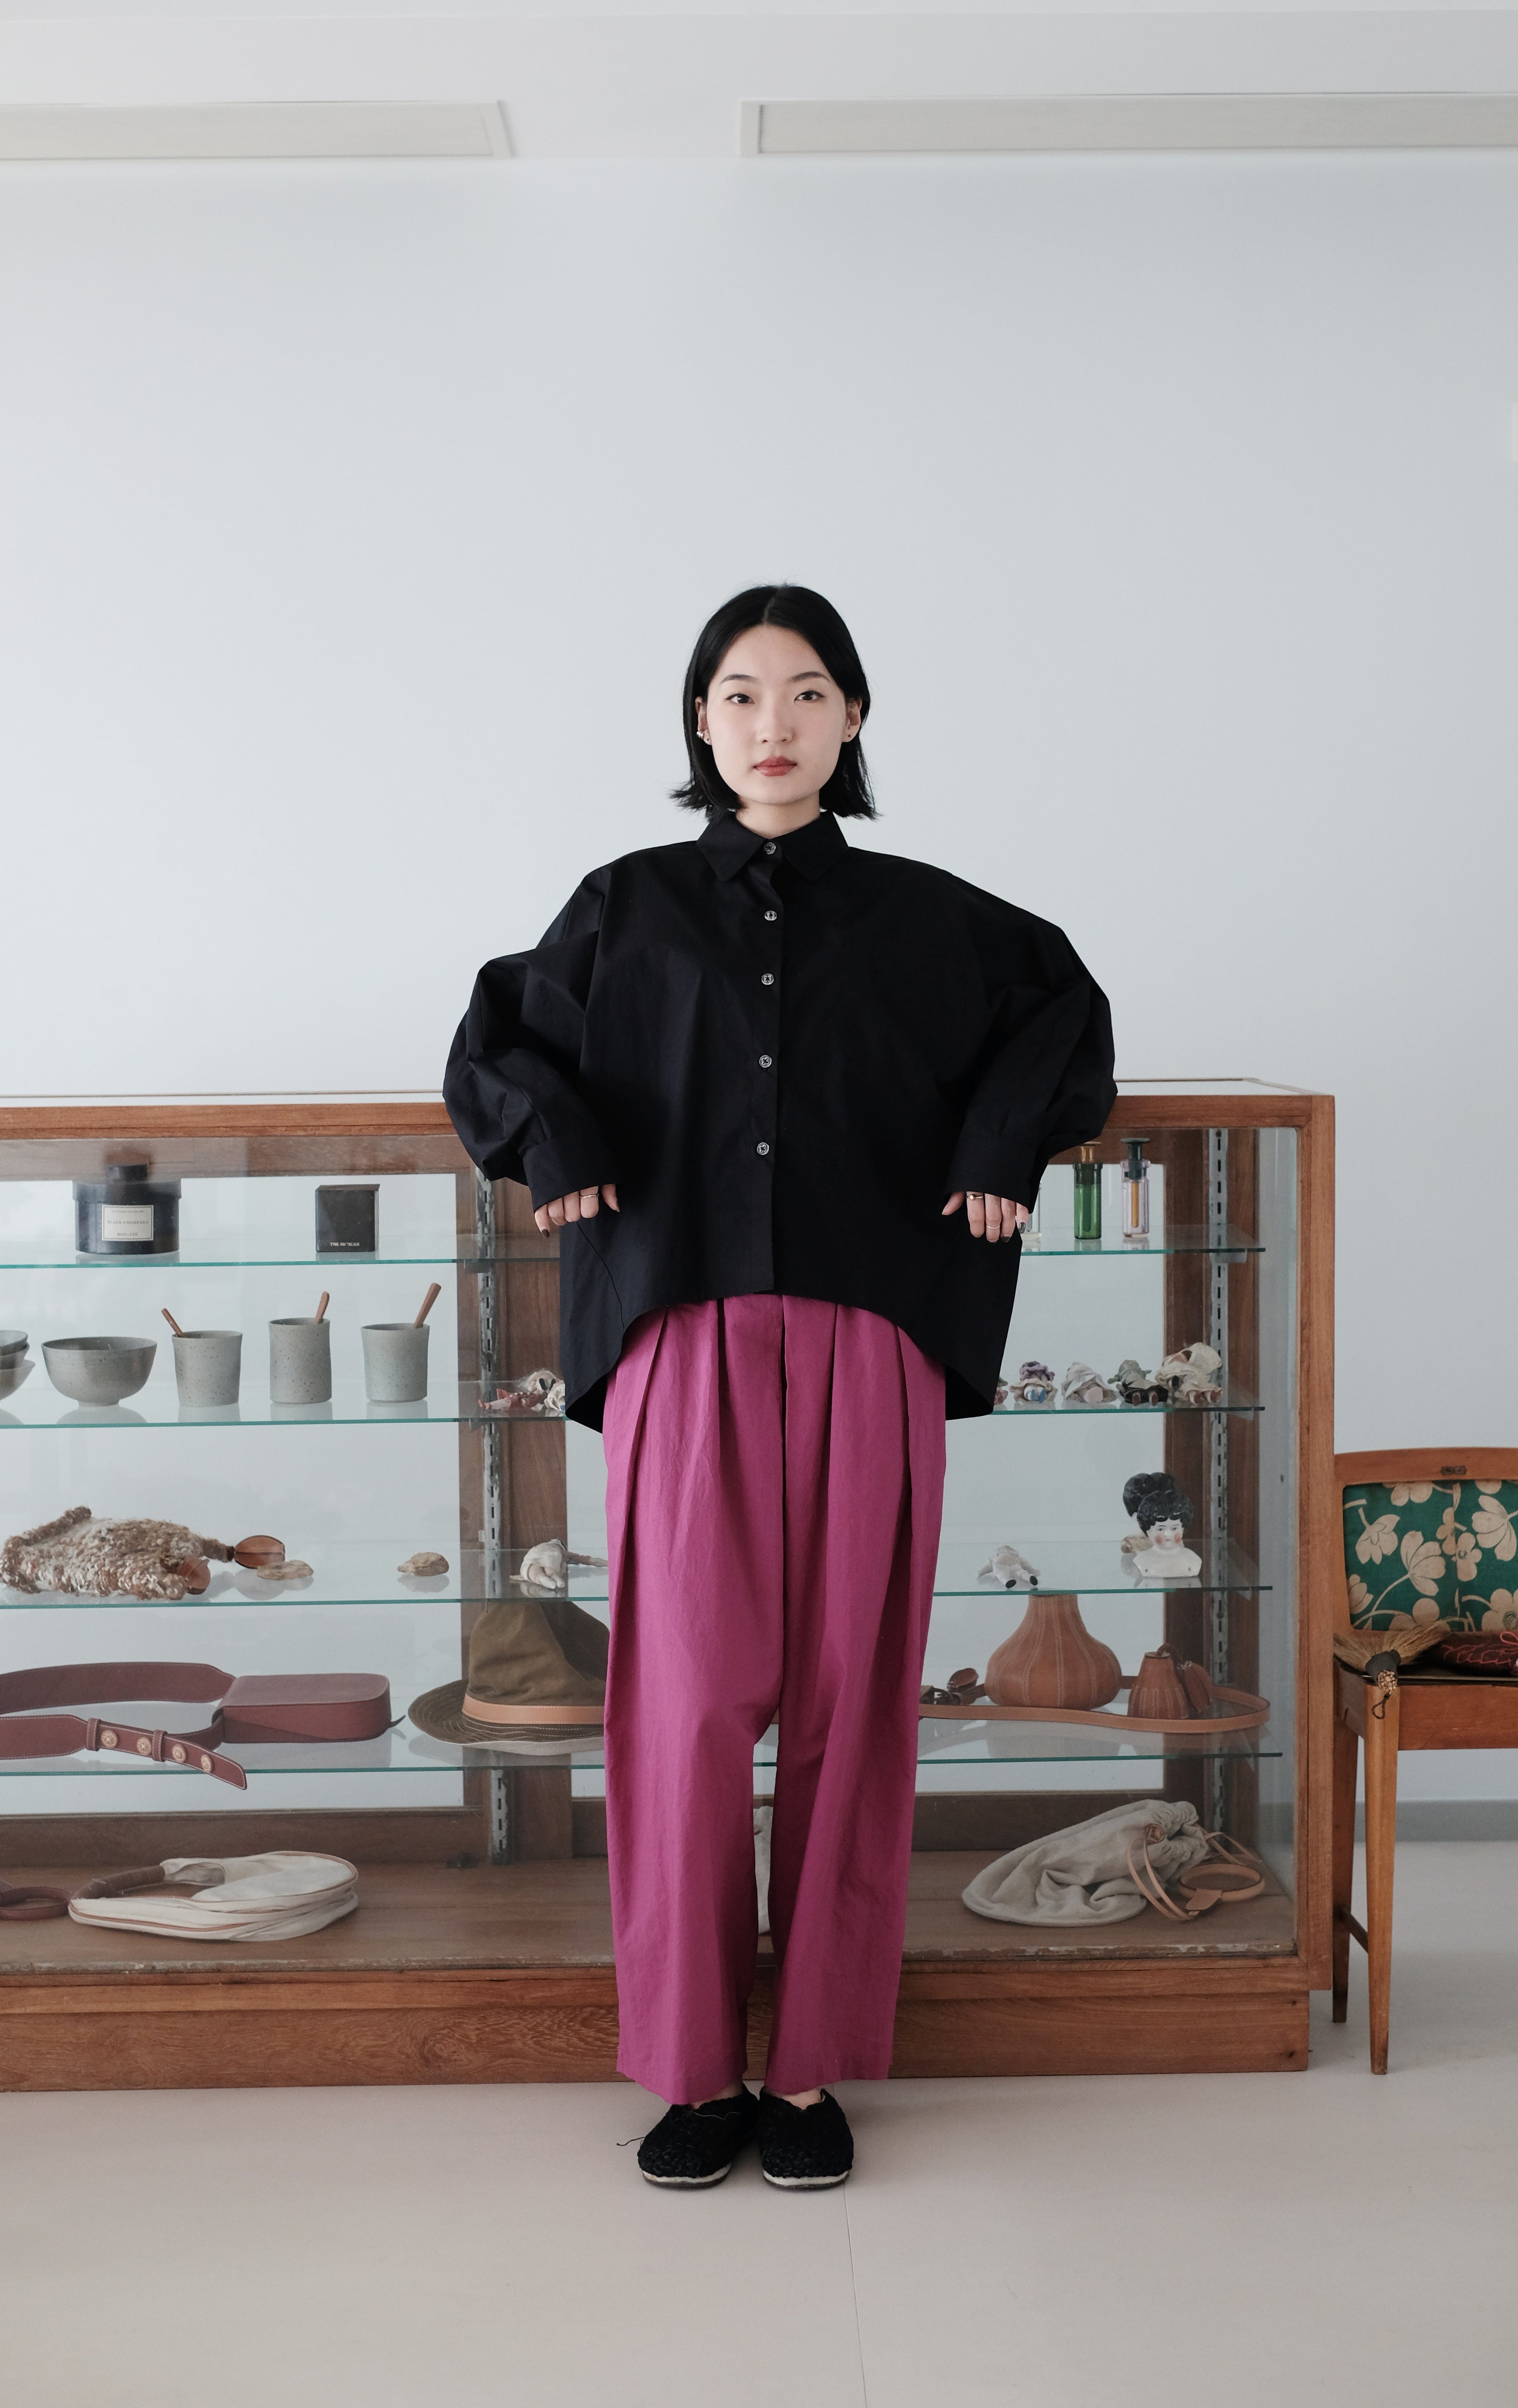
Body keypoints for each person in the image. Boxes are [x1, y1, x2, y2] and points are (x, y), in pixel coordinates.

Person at [445, 584, 1115, 2190]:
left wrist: (997, 1145)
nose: (773, 724)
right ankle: (692, 2069)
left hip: (872, 1337)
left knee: (848, 1709)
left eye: (808, 693)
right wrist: (562, 1137)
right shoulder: (624, 908)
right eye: (741, 694)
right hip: (682, 1338)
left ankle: (806, 2070)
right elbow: (491, 1044)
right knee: (682, 1711)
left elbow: (1069, 1016)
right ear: (701, 720)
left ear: (853, 717)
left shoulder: (937, 920)